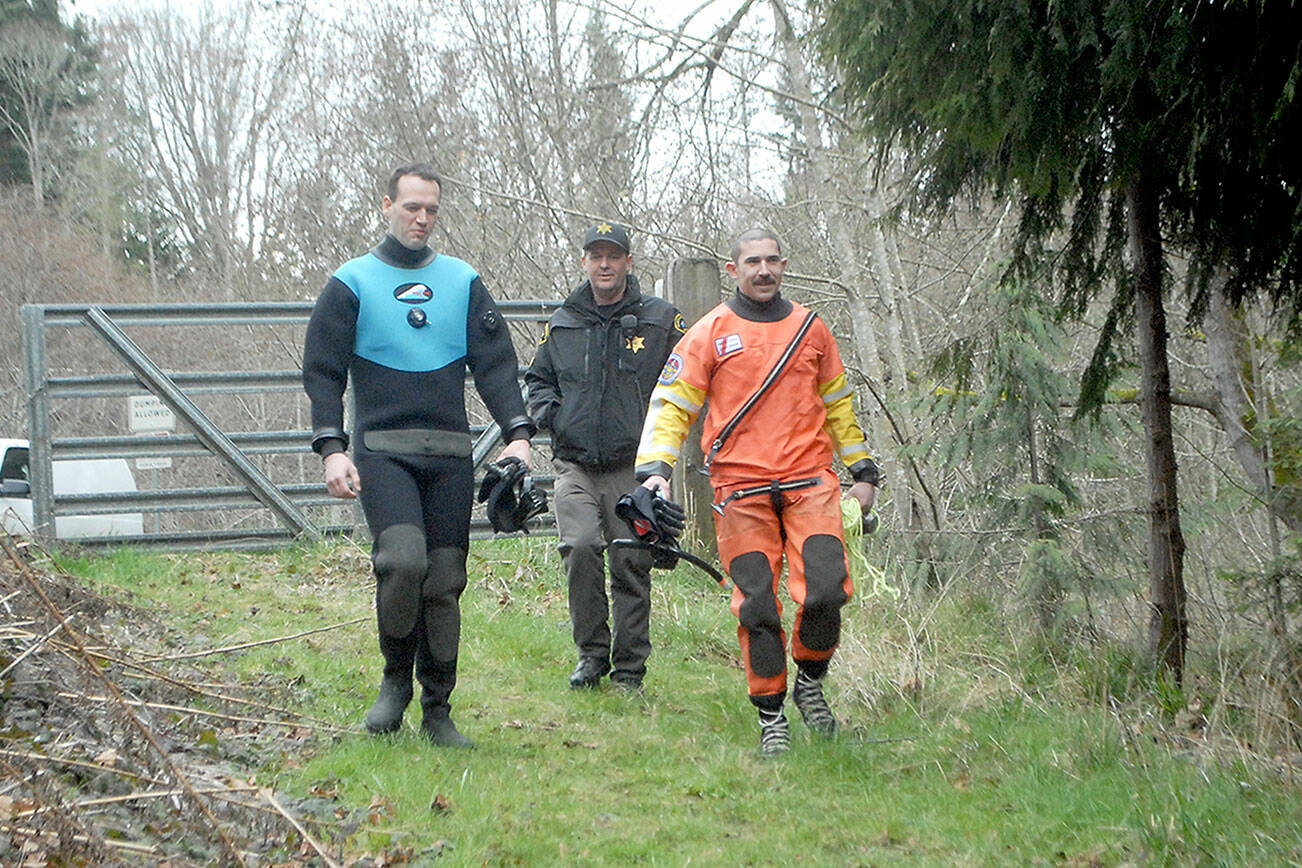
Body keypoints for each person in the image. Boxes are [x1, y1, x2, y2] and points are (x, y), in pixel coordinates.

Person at [303, 162, 534, 747]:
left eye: (431, 209)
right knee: (403, 562)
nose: (422, 218)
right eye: (411, 207)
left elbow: (496, 365)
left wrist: (518, 433)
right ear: (387, 206)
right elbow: (323, 371)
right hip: (382, 450)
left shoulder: (461, 281)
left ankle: (438, 708)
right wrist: (332, 448)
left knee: (445, 579)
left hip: (450, 454)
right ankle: (394, 682)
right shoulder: (352, 283)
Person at [635, 228, 879, 755]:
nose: (763, 270)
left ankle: (810, 680)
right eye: (752, 262)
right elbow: (672, 404)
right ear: (734, 270)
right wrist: (655, 470)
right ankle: (771, 715)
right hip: (740, 491)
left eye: (772, 260)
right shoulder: (710, 332)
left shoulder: (812, 328)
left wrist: (863, 471)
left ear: (784, 264)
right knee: (757, 606)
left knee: (827, 590)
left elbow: (838, 403)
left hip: (810, 482)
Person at [525, 222, 686, 691]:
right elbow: (537, 380)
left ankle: (629, 670)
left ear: (629, 262)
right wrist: (554, 416)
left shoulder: (660, 320)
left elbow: (689, 379)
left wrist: (662, 456)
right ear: (584, 262)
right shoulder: (563, 322)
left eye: (613, 256)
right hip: (574, 464)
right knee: (579, 548)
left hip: (633, 467)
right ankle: (591, 654)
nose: (605, 264)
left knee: (630, 561)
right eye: (596, 256)